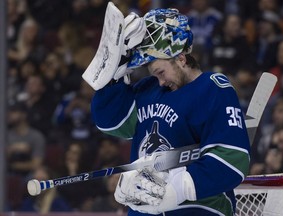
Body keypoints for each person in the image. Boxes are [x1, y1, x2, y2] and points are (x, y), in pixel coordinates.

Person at [85, 6, 250, 216]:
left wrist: (178, 189)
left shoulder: (212, 88)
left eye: (161, 72)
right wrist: (115, 72)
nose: (160, 81)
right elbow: (109, 122)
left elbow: (232, 159)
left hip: (197, 208)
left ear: (181, 59)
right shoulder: (148, 89)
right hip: (145, 209)